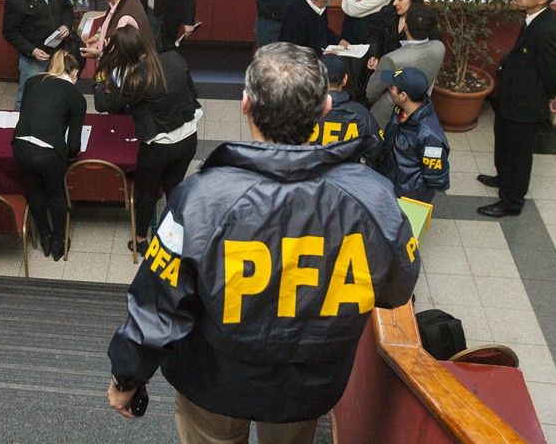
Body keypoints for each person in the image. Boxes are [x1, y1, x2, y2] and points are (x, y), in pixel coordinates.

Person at [106, 42, 420, 443]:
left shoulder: (199, 200)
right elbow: (397, 290)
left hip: (212, 383)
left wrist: (128, 376)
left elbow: (158, 305)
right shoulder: (374, 199)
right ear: (326, 108)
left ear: (245, 105)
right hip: (306, 387)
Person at [93, 25, 201, 254]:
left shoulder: (136, 79)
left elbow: (102, 104)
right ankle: (176, 236)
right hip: (188, 138)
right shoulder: (174, 58)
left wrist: (100, 78)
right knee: (174, 188)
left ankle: (141, 239)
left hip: (158, 148)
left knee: (146, 193)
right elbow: (194, 94)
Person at [477, 0, 556, 217]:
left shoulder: (548, 29)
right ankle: (503, 178)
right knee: (503, 142)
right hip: (511, 96)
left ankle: (511, 202)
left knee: (519, 154)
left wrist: (553, 95)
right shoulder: (533, 18)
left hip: (526, 105)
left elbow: (553, 69)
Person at [12, 50, 86, 261]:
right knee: (56, 194)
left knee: (34, 192)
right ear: (75, 73)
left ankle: (44, 237)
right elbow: (74, 144)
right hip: (49, 153)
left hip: (20, 146)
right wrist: (68, 154)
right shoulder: (76, 97)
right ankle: (58, 243)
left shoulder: (32, 82)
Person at [2, 0, 76, 109]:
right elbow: (9, 32)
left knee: (58, 94)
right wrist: (32, 51)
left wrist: (66, 25)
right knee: (27, 98)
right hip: (34, 60)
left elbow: (67, 8)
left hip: (59, 53)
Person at [377, 67, 450, 203]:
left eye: (392, 87)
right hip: (390, 185)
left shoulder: (430, 136)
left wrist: (414, 196)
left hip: (408, 197)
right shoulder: (400, 110)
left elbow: (436, 179)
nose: (389, 89)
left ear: (403, 95)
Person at [365, 4, 445, 126]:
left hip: (388, 114)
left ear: (405, 26)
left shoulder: (393, 59)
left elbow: (371, 92)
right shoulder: (440, 47)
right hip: (420, 108)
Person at [310, 54, 381, 164]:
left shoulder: (301, 111)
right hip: (348, 172)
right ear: (345, 79)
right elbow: (375, 149)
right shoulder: (361, 114)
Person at [81, 0, 154, 60]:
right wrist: (98, 37)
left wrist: (98, 54)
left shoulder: (125, 18)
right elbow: (107, 25)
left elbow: (121, 57)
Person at [279, 0, 347, 56]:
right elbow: (292, 52)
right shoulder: (296, 15)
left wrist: (338, 40)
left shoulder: (322, 5)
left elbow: (322, 30)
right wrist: (321, 53)